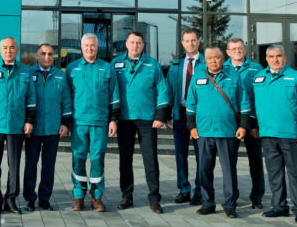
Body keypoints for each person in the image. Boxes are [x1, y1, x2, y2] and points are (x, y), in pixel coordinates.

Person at [252, 45, 297, 224]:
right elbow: (254, 104)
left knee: (296, 174)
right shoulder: (259, 78)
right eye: (271, 56)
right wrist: (254, 125)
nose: (275, 59)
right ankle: (279, 206)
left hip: (291, 134)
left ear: (285, 57)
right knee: (274, 174)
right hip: (268, 134)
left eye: (279, 56)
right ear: (266, 59)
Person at [186, 47, 251, 218]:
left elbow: (244, 103)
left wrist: (243, 126)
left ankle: (230, 205)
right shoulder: (198, 76)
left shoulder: (234, 76)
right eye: (209, 58)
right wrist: (191, 126)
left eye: (216, 57)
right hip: (203, 131)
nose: (213, 61)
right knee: (204, 169)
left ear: (223, 59)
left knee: (229, 170)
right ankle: (208, 203)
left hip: (227, 131)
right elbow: (191, 103)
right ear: (205, 60)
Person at [110, 31, 170, 214]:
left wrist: (160, 116)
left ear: (143, 45)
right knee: (125, 159)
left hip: (147, 119)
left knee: (150, 159)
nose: (135, 46)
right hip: (124, 118)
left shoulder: (152, 64)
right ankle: (126, 196)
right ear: (126, 44)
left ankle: (154, 198)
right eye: (132, 42)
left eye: (139, 43)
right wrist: (112, 118)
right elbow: (110, 90)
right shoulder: (116, 63)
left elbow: (162, 90)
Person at [0, 37, 36, 215]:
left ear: (17, 50)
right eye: (5, 47)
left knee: (14, 165)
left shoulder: (25, 71)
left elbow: (31, 98)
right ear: (0, 50)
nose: (8, 51)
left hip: (16, 126)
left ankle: (11, 200)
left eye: (12, 47)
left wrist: (29, 121)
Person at [66, 33, 120, 212]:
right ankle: (78, 196)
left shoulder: (107, 68)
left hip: (100, 122)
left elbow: (114, 97)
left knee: (97, 160)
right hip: (79, 123)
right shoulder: (72, 69)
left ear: (98, 47)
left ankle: (97, 197)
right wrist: (66, 122)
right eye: (86, 45)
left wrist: (113, 120)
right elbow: (66, 98)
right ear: (81, 48)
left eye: (93, 45)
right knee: (78, 159)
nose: (90, 48)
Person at [23, 44, 71, 212]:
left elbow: (66, 101)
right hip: (33, 129)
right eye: (43, 53)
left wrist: (65, 123)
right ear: (37, 55)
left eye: (50, 54)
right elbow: (23, 99)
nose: (47, 57)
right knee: (31, 165)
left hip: (52, 128)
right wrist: (26, 123)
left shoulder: (60, 75)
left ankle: (44, 199)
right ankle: (30, 199)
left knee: (48, 166)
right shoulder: (28, 73)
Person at [225, 37, 265, 209]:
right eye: (233, 49)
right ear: (228, 52)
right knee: (229, 161)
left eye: (240, 48)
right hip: (231, 122)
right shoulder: (222, 69)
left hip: (252, 121)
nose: (237, 51)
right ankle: (232, 196)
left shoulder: (257, 69)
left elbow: (261, 97)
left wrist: (255, 123)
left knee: (255, 160)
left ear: (245, 49)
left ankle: (257, 197)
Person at [166, 28, 204, 206]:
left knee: (201, 154)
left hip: (200, 115)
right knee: (180, 154)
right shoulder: (176, 65)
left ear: (199, 42)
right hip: (180, 113)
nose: (190, 43)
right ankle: (184, 189)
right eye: (187, 41)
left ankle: (200, 190)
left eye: (193, 40)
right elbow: (169, 90)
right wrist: (167, 114)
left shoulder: (206, 63)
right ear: (182, 43)